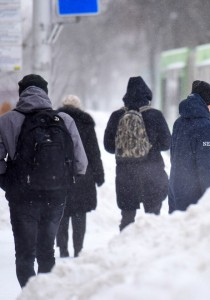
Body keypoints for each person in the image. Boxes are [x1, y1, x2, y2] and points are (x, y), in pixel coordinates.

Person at [0, 74, 88, 287]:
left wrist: (7, 180)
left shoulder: (7, 121)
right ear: (46, 93)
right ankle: (46, 295)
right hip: (55, 195)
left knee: (25, 253)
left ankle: (29, 295)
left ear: (22, 93)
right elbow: (81, 162)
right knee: (47, 251)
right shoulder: (64, 120)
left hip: (22, 198)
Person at [104, 76, 171, 231]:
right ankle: (151, 251)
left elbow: (108, 146)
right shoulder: (155, 115)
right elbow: (167, 144)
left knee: (127, 217)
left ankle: (123, 250)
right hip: (152, 174)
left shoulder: (117, 116)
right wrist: (149, 145)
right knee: (152, 218)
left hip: (126, 175)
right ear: (147, 95)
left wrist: (126, 147)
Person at [56, 95, 105, 258]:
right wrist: (99, 175)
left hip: (60, 174)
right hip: (83, 174)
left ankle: (63, 250)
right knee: (79, 213)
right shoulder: (86, 122)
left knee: (61, 213)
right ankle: (78, 250)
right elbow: (93, 152)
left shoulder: (55, 121)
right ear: (79, 106)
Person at [168, 80, 210, 212]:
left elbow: (173, 156)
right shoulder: (205, 126)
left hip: (174, 187)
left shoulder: (178, 122)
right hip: (193, 194)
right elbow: (205, 165)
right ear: (207, 102)